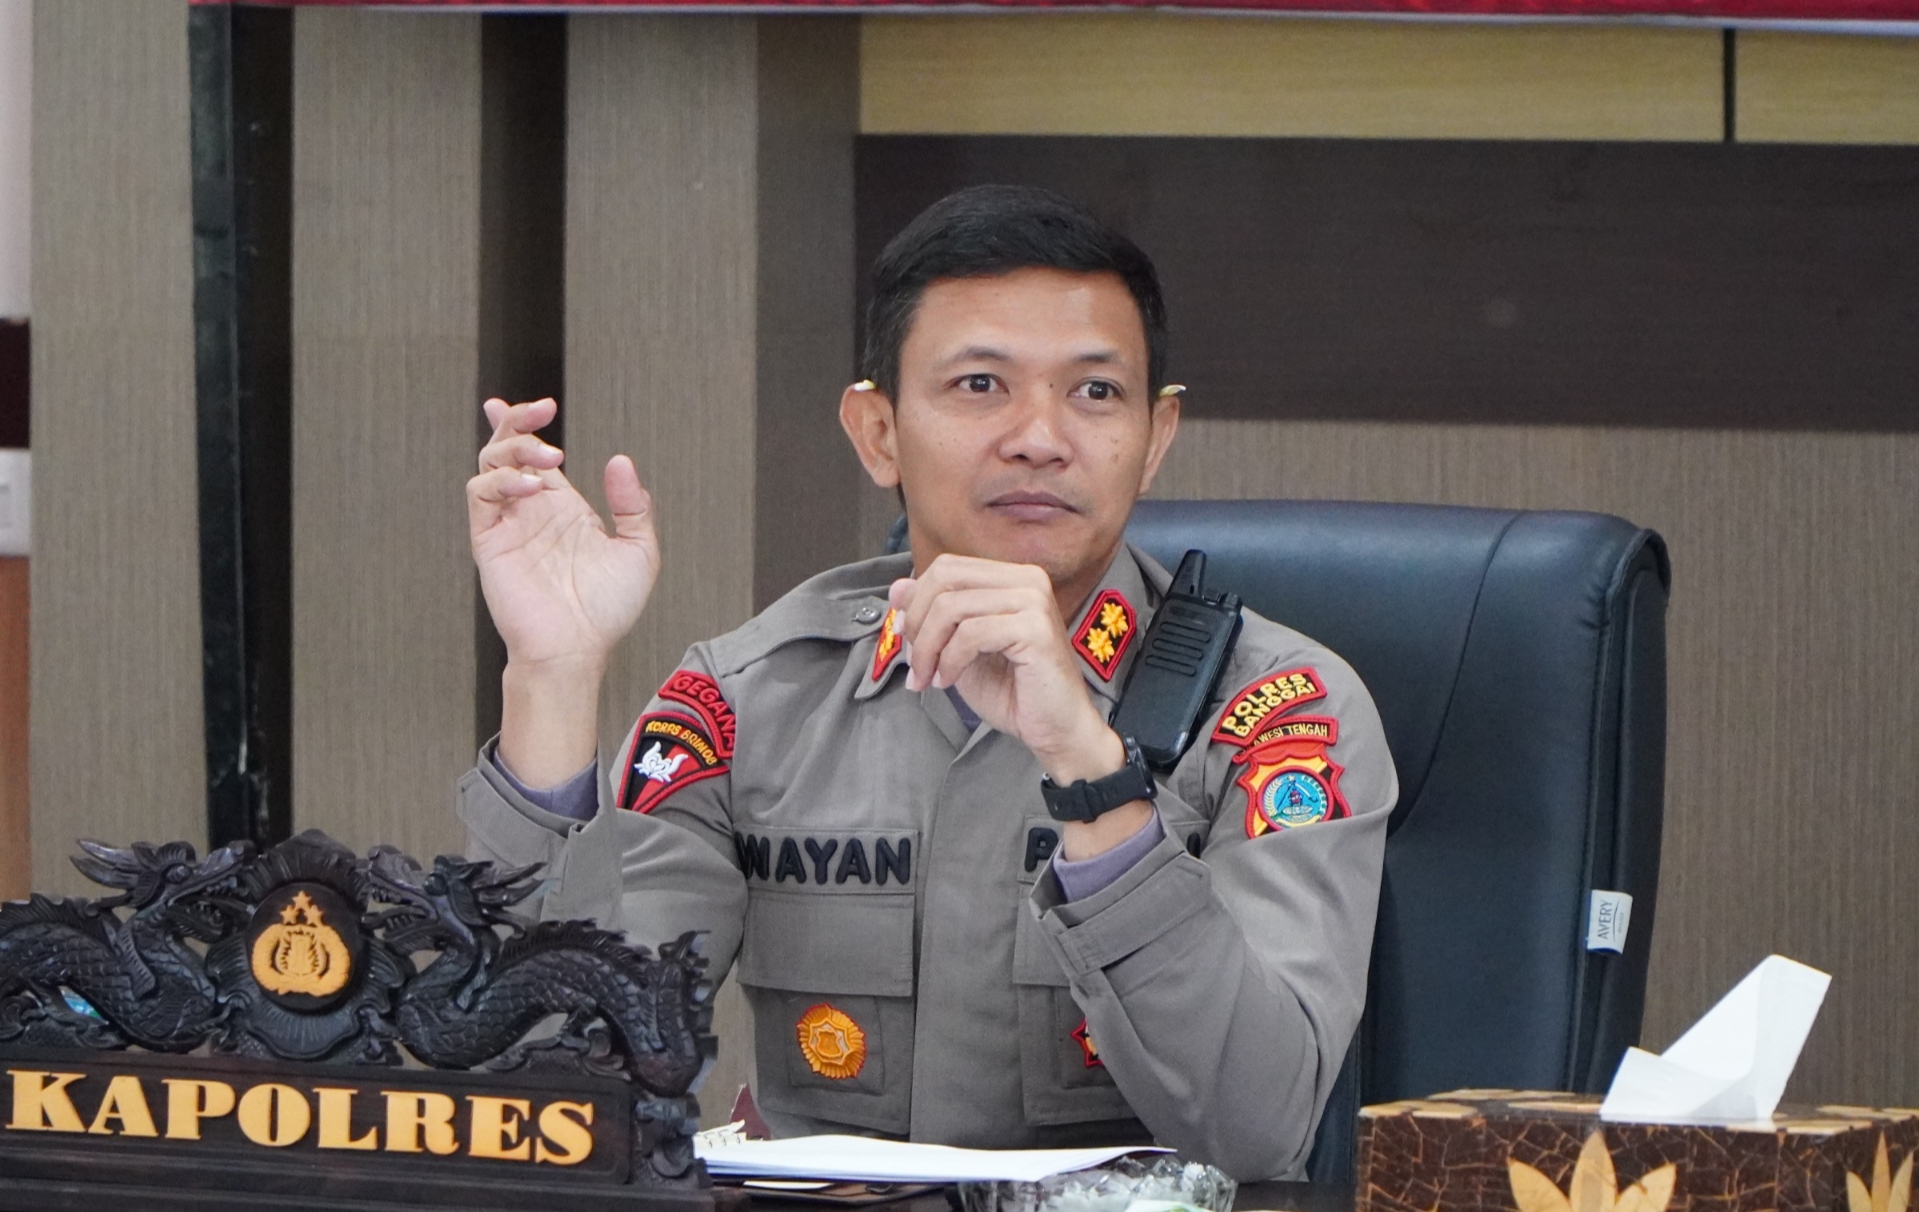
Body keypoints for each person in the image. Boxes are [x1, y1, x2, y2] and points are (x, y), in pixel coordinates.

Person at [459, 185, 1398, 1181]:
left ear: (1155, 436)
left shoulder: (1274, 715)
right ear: (877, 432)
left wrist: (1094, 779)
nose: (1039, 436)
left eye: (1094, 393)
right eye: (979, 385)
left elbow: (1257, 1131)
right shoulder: (748, 702)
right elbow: (562, 1089)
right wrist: (551, 678)